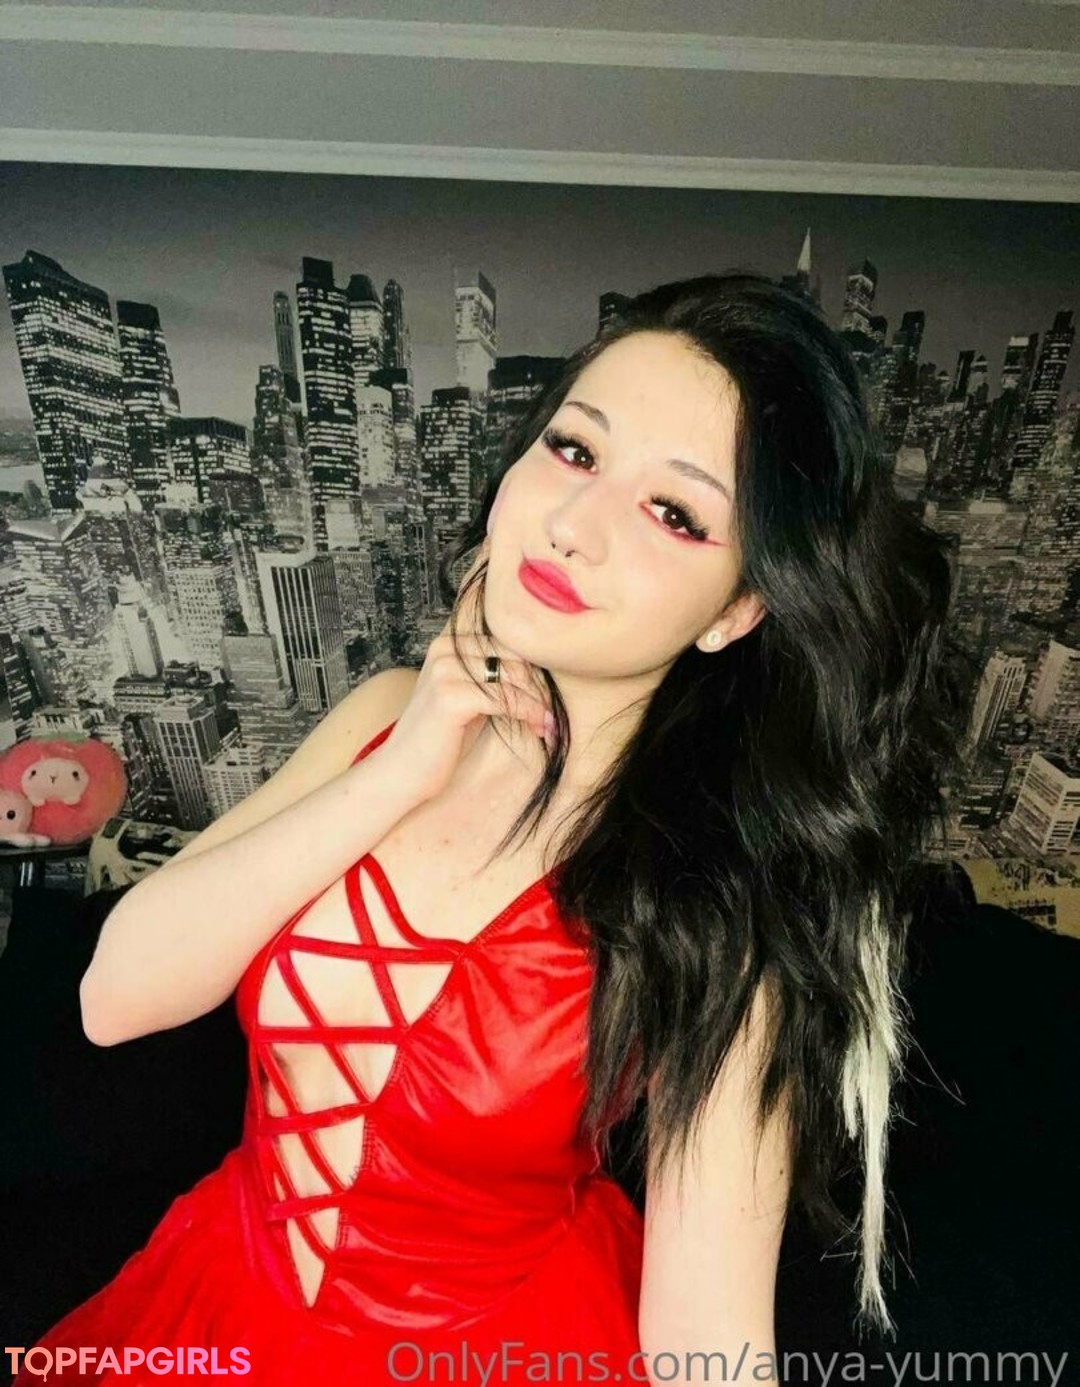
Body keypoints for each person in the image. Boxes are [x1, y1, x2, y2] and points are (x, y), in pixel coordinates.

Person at [13, 272, 969, 1386]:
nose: (572, 526)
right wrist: (402, 766)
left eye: (674, 512)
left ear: (737, 608)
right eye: (575, 449)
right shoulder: (381, 719)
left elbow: (708, 1338)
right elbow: (115, 997)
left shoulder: (712, 903)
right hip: (226, 1291)